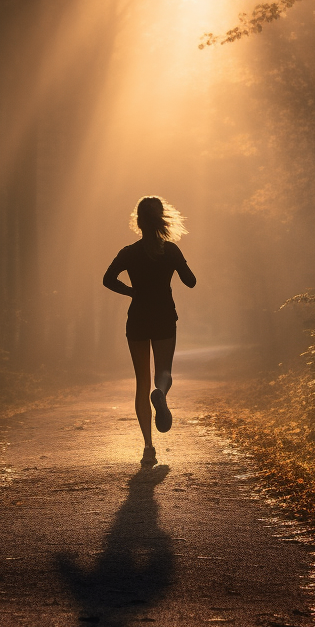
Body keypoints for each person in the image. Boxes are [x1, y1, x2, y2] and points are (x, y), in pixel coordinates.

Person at [103, 196, 196, 465]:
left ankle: (148, 448)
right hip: (165, 317)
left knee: (141, 382)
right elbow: (191, 282)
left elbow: (108, 280)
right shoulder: (171, 251)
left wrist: (132, 291)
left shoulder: (128, 252)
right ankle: (162, 395)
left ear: (139, 222)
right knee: (163, 373)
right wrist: (179, 263)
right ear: (161, 219)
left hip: (138, 319)